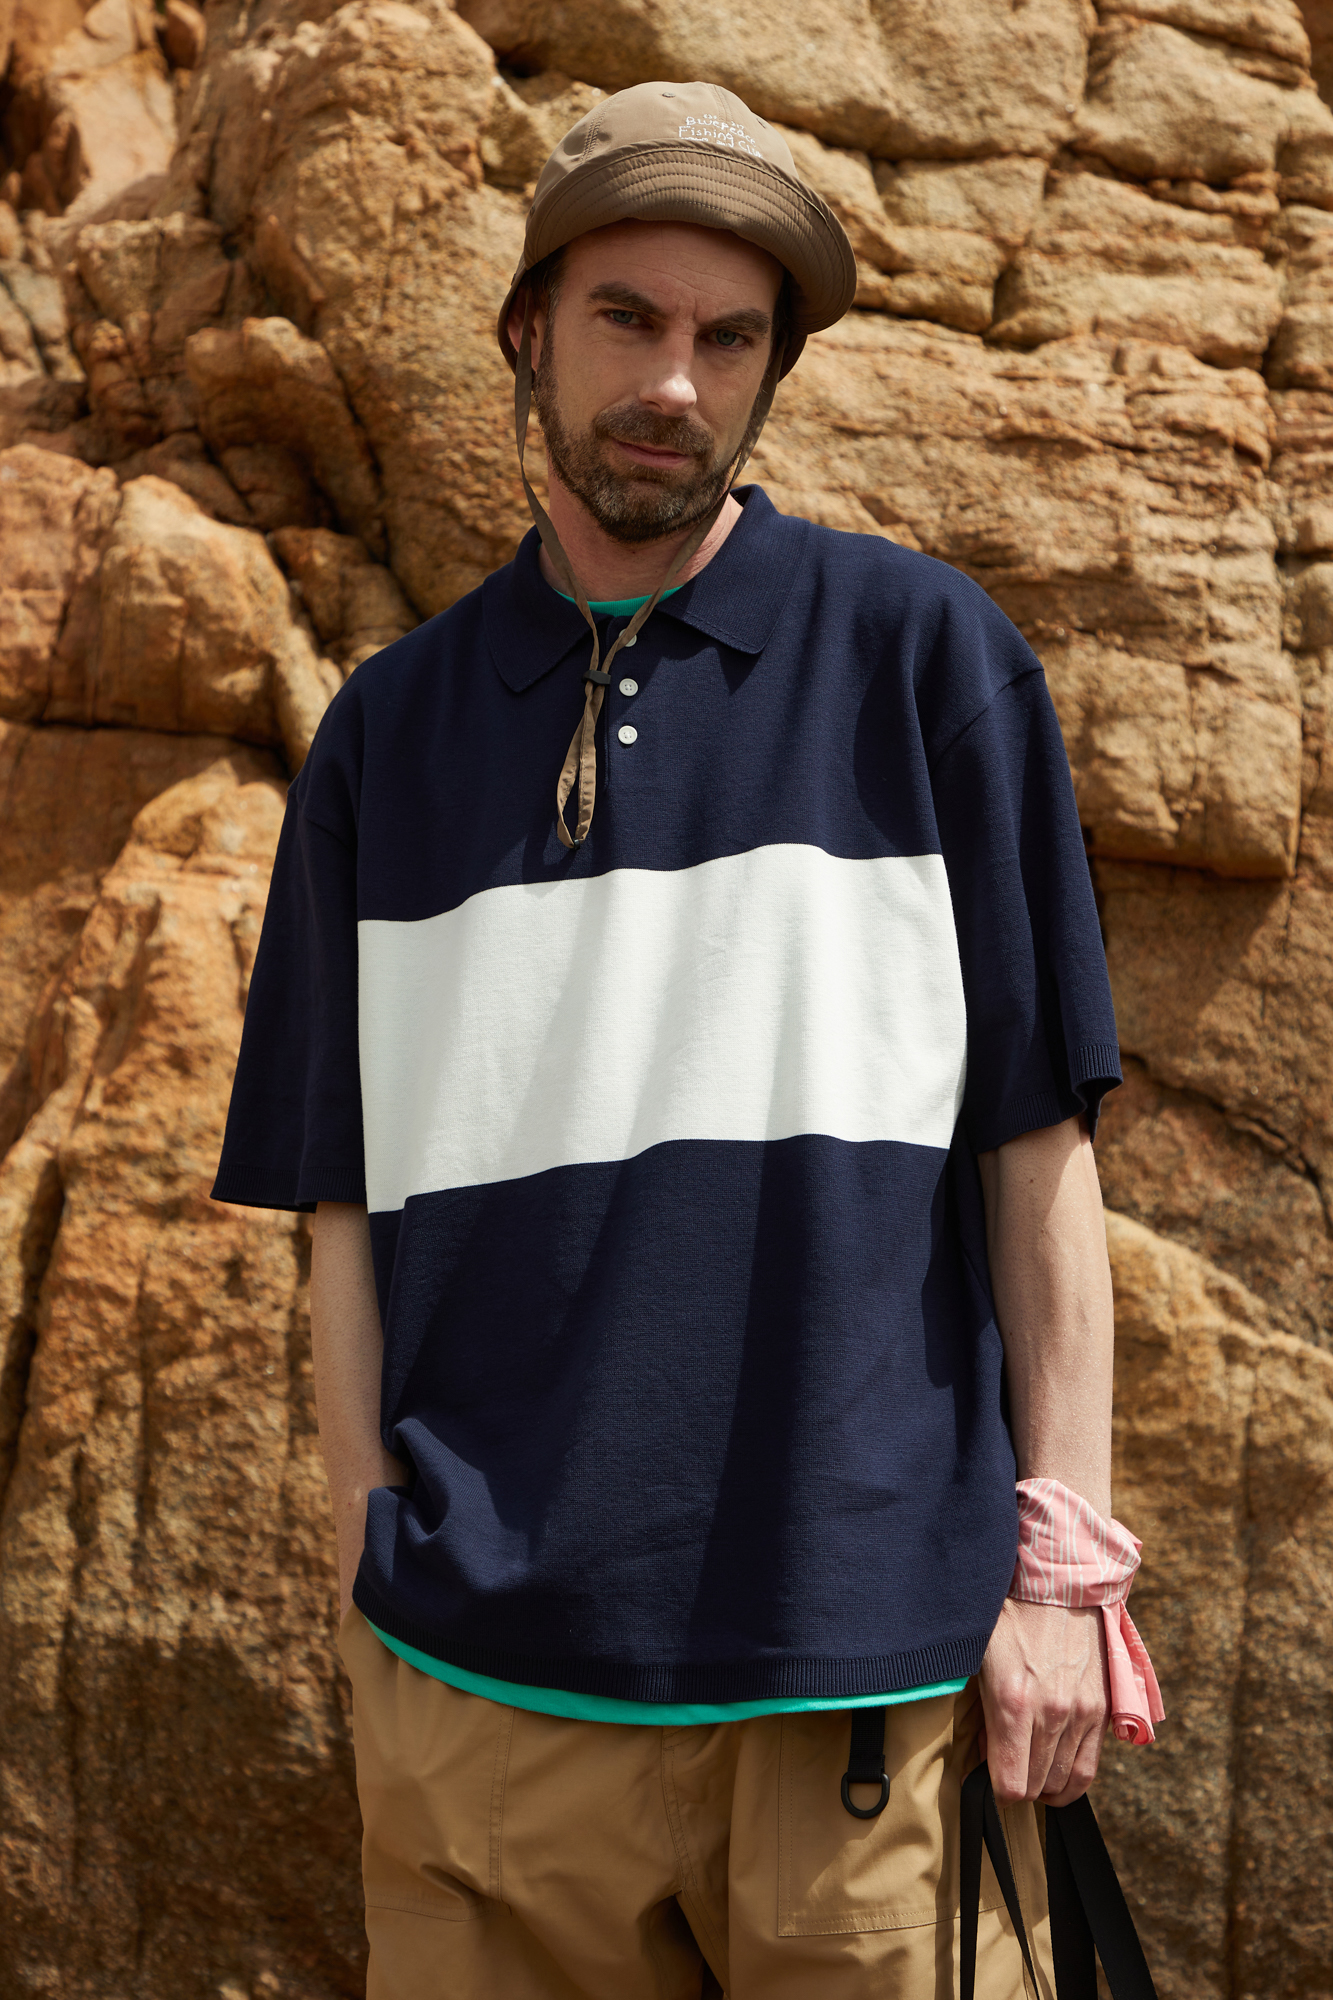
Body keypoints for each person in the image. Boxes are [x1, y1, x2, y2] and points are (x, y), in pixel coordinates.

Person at [214, 80, 1161, 1999]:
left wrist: (1064, 1576)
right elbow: (340, 1208)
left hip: (866, 1683)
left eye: (728, 339)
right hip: (482, 1697)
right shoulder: (387, 738)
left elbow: (1036, 1156)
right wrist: (364, 1572)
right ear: (526, 331)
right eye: (626, 320)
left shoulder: (926, 660)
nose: (673, 383)